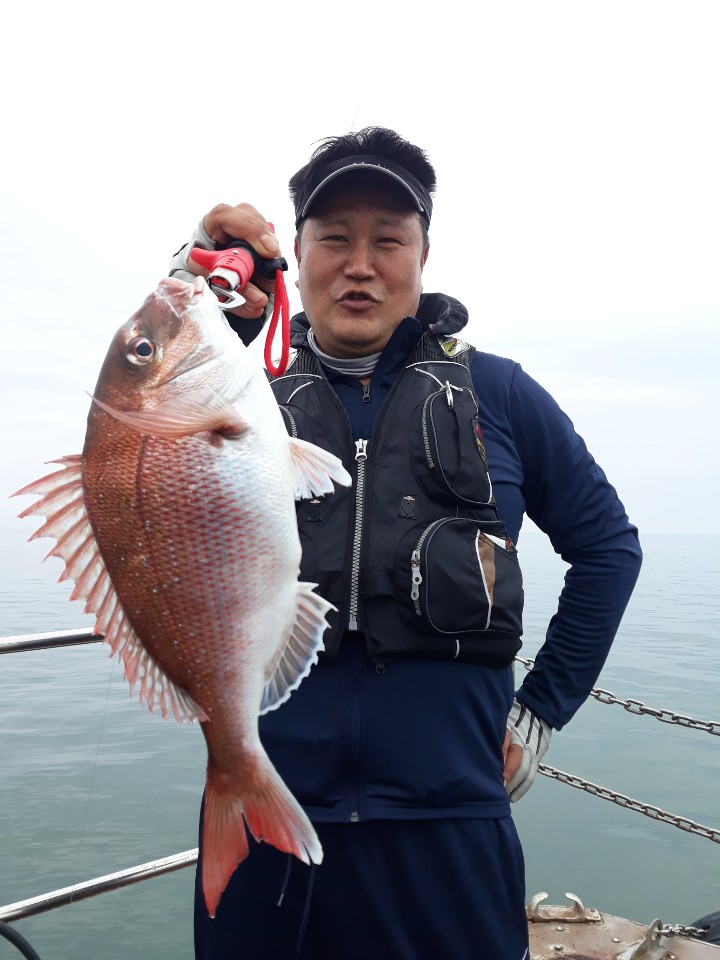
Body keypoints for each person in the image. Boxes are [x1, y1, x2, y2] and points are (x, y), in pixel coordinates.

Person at [169, 127, 643, 960]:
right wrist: (190, 280)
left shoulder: (499, 392)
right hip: (265, 812)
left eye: (388, 240)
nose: (360, 266)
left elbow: (608, 547)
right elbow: (136, 443)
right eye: (333, 239)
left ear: (423, 256)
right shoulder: (240, 395)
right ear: (296, 255)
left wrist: (540, 711)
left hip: (451, 824)